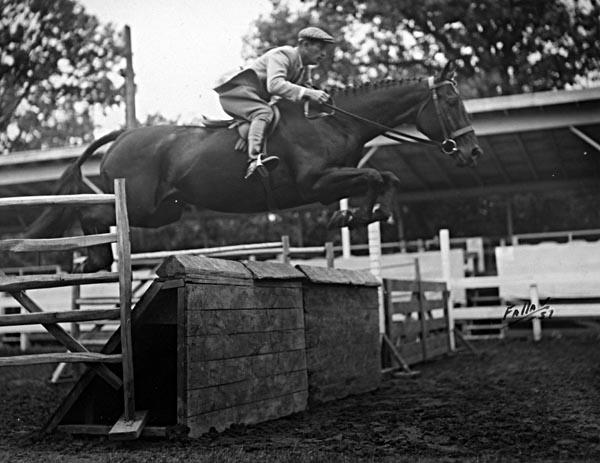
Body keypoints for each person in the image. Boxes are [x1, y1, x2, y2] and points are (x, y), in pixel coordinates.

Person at [214, 26, 334, 179]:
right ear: (304, 45)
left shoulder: (304, 68)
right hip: (237, 92)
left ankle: (251, 135)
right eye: (320, 47)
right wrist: (310, 93)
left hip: (256, 97)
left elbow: (304, 90)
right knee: (264, 112)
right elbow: (275, 85)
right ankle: (255, 160)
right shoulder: (283, 54)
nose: (324, 54)